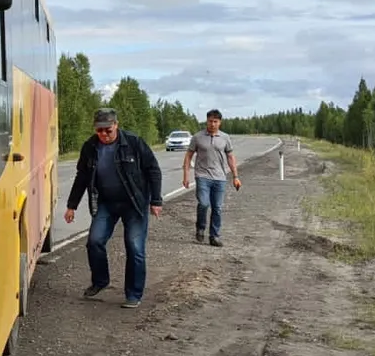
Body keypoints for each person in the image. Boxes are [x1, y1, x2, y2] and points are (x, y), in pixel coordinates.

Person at [63, 108, 163, 309]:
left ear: (116, 125)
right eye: (99, 131)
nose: (104, 135)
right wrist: (71, 206)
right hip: (107, 203)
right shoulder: (90, 147)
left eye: (108, 130)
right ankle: (100, 281)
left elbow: (153, 170)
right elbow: (82, 177)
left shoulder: (134, 143)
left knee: (134, 247)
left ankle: (133, 294)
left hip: (134, 203)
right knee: (94, 241)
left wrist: (156, 201)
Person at [181, 108, 241, 246]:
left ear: (220, 122)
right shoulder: (197, 137)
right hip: (202, 176)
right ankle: (201, 227)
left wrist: (235, 176)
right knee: (203, 203)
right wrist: (186, 175)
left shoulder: (225, 138)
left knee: (217, 208)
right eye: (210, 121)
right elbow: (188, 156)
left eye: (215, 121)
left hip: (220, 177)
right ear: (206, 121)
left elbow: (230, 157)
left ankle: (214, 236)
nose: (212, 124)